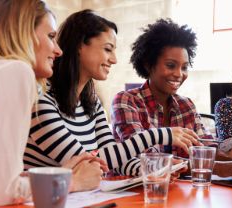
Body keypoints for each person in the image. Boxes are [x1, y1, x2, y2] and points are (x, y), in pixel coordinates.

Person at [24, 10, 200, 179]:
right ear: (79, 45)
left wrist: (158, 168)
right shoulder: (40, 99)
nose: (114, 59)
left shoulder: (92, 104)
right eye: (108, 49)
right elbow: (86, 163)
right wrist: (161, 135)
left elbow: (115, 161)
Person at [111, 18, 232, 184]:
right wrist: (221, 168)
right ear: (149, 64)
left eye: (184, 67)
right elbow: (150, 161)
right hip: (136, 194)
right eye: (171, 65)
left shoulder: (186, 105)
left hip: (178, 194)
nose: (179, 74)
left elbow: (205, 150)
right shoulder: (126, 101)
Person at [0, 0, 107, 206]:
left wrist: (61, 174)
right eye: (51, 37)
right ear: (24, 33)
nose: (58, 50)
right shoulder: (15, 72)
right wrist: (72, 181)